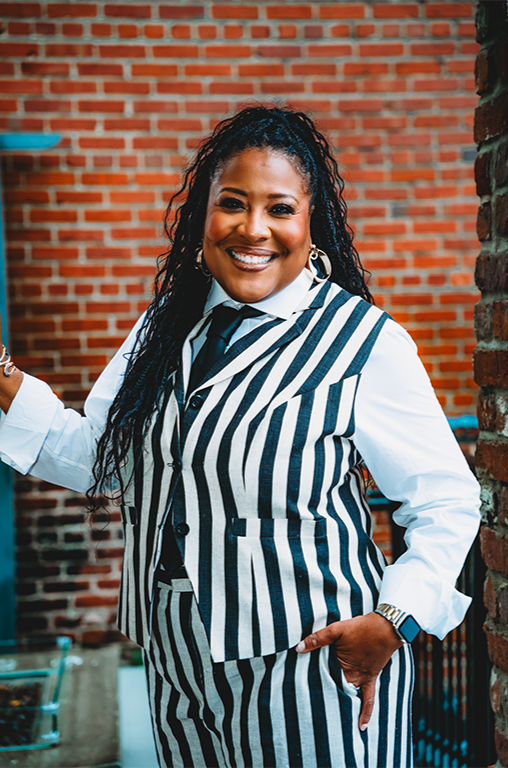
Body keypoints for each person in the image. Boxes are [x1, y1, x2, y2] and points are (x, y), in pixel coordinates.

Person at [0, 106, 480, 768]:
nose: (253, 228)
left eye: (279, 209)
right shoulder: (166, 329)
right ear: (203, 216)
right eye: (232, 204)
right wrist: (2, 376)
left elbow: (446, 500)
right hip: (173, 649)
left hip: (308, 655)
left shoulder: (363, 342)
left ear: (311, 227)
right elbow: (97, 460)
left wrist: (394, 621)